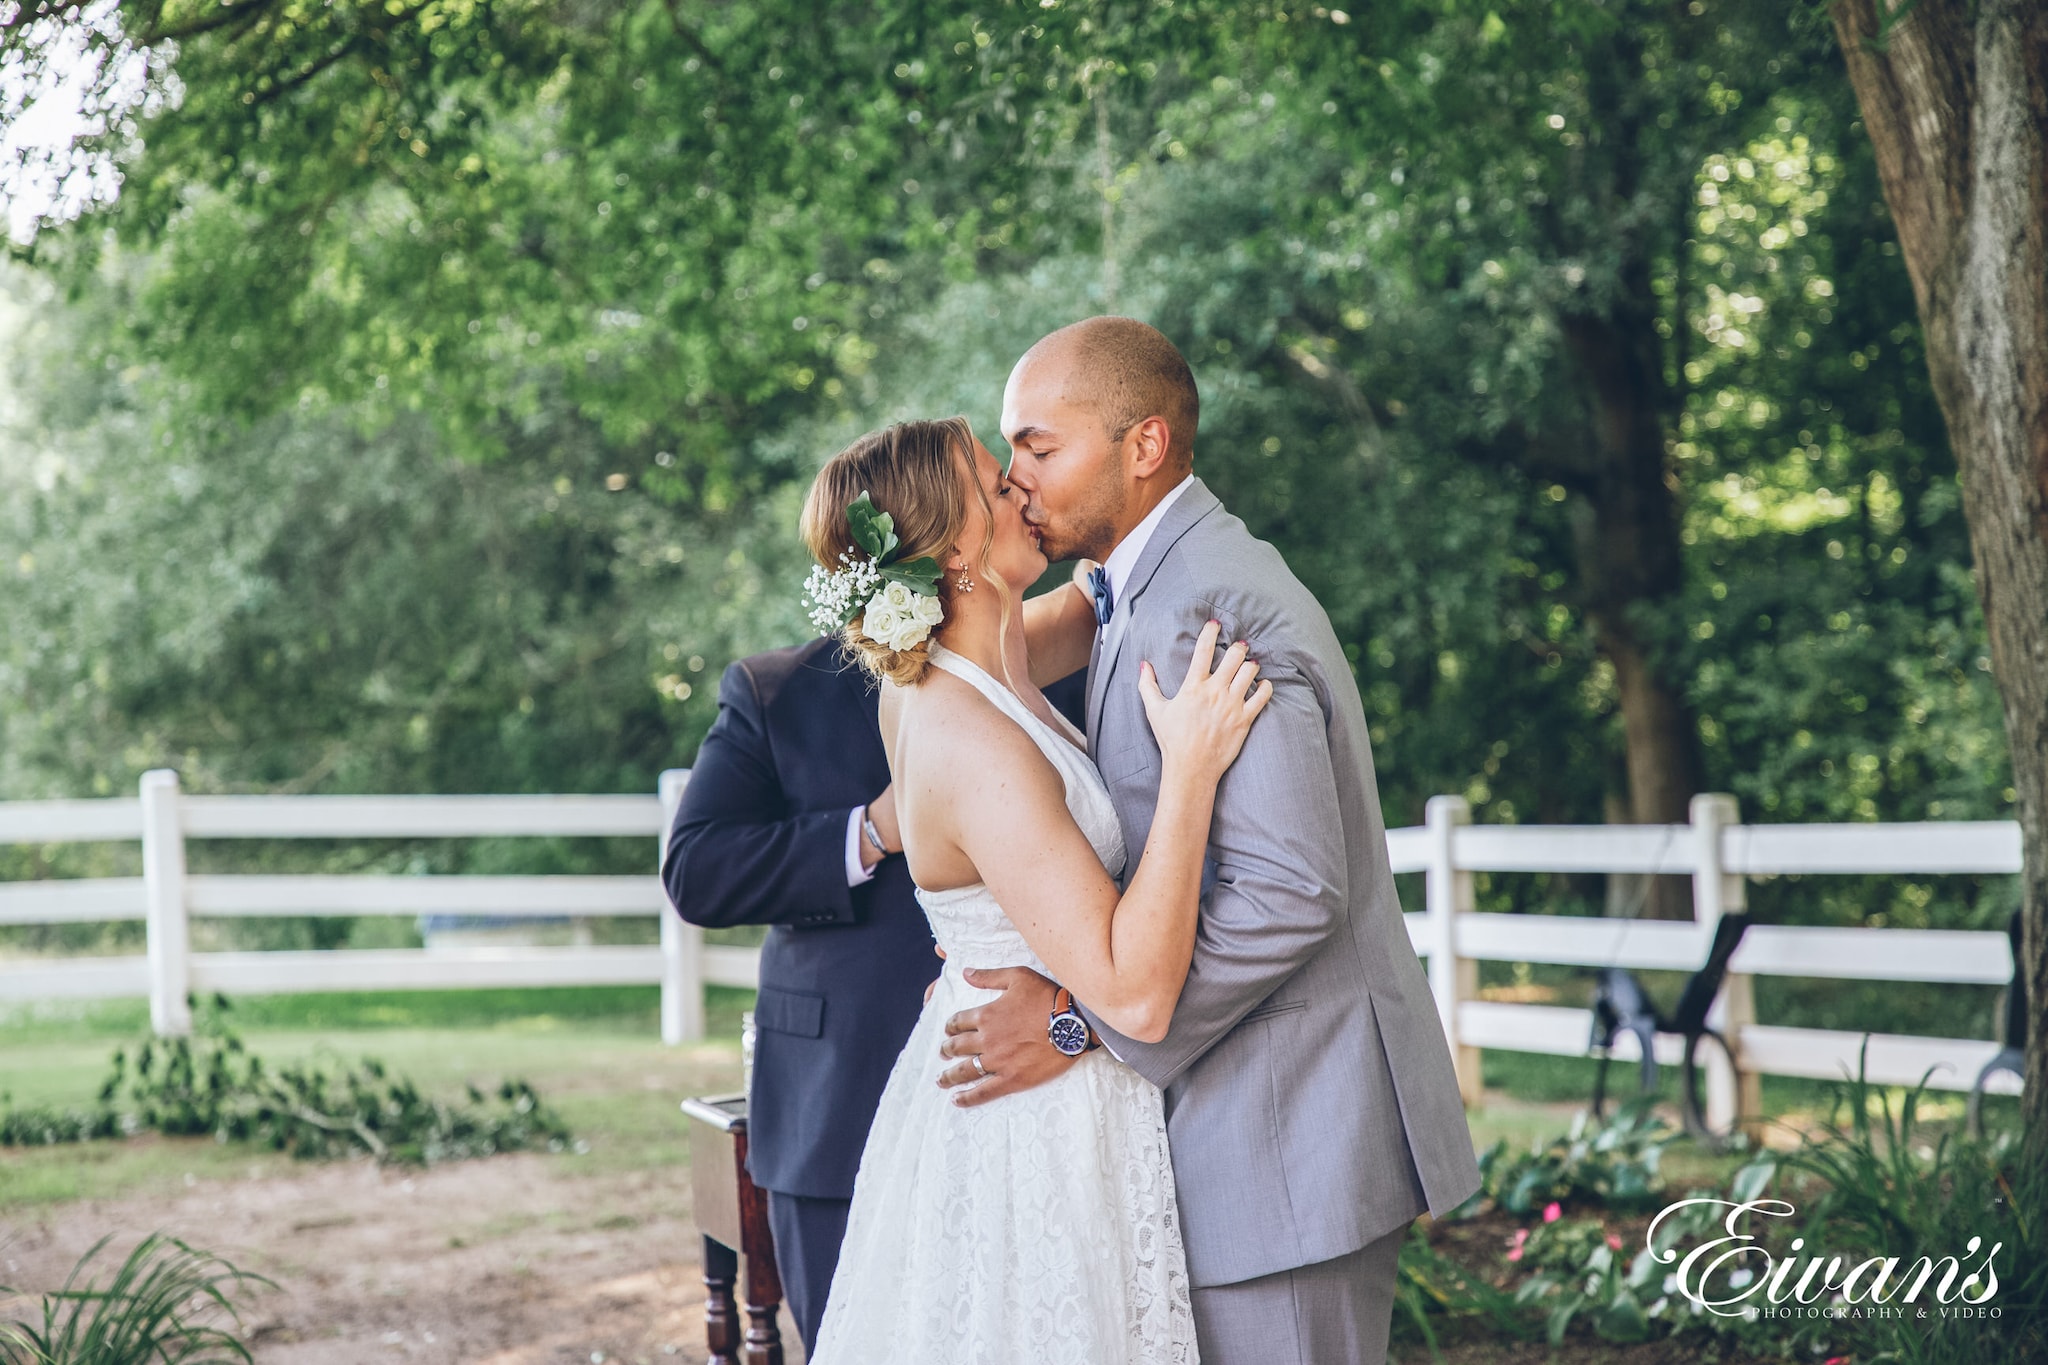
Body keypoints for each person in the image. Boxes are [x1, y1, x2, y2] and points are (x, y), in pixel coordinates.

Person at [935, 316, 1485, 1363]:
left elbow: (1286, 890)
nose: (1015, 479)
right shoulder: (1138, 587)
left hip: (1288, 1145)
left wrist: (1070, 1028)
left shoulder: (1210, 606)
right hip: (1238, 1140)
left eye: (1039, 449)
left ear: (1141, 448)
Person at [797, 416, 1273, 1363]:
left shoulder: (976, 659)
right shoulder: (971, 740)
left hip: (1020, 1074)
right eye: (992, 481)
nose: (1021, 486)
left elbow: (1094, 606)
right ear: (952, 547)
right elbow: (1132, 988)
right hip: (1025, 1118)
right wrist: (1189, 771)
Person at [661, 639, 929, 1355]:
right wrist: (867, 832)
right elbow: (697, 868)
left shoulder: (1047, 663)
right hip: (831, 1110)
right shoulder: (777, 690)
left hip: (1008, 1087)